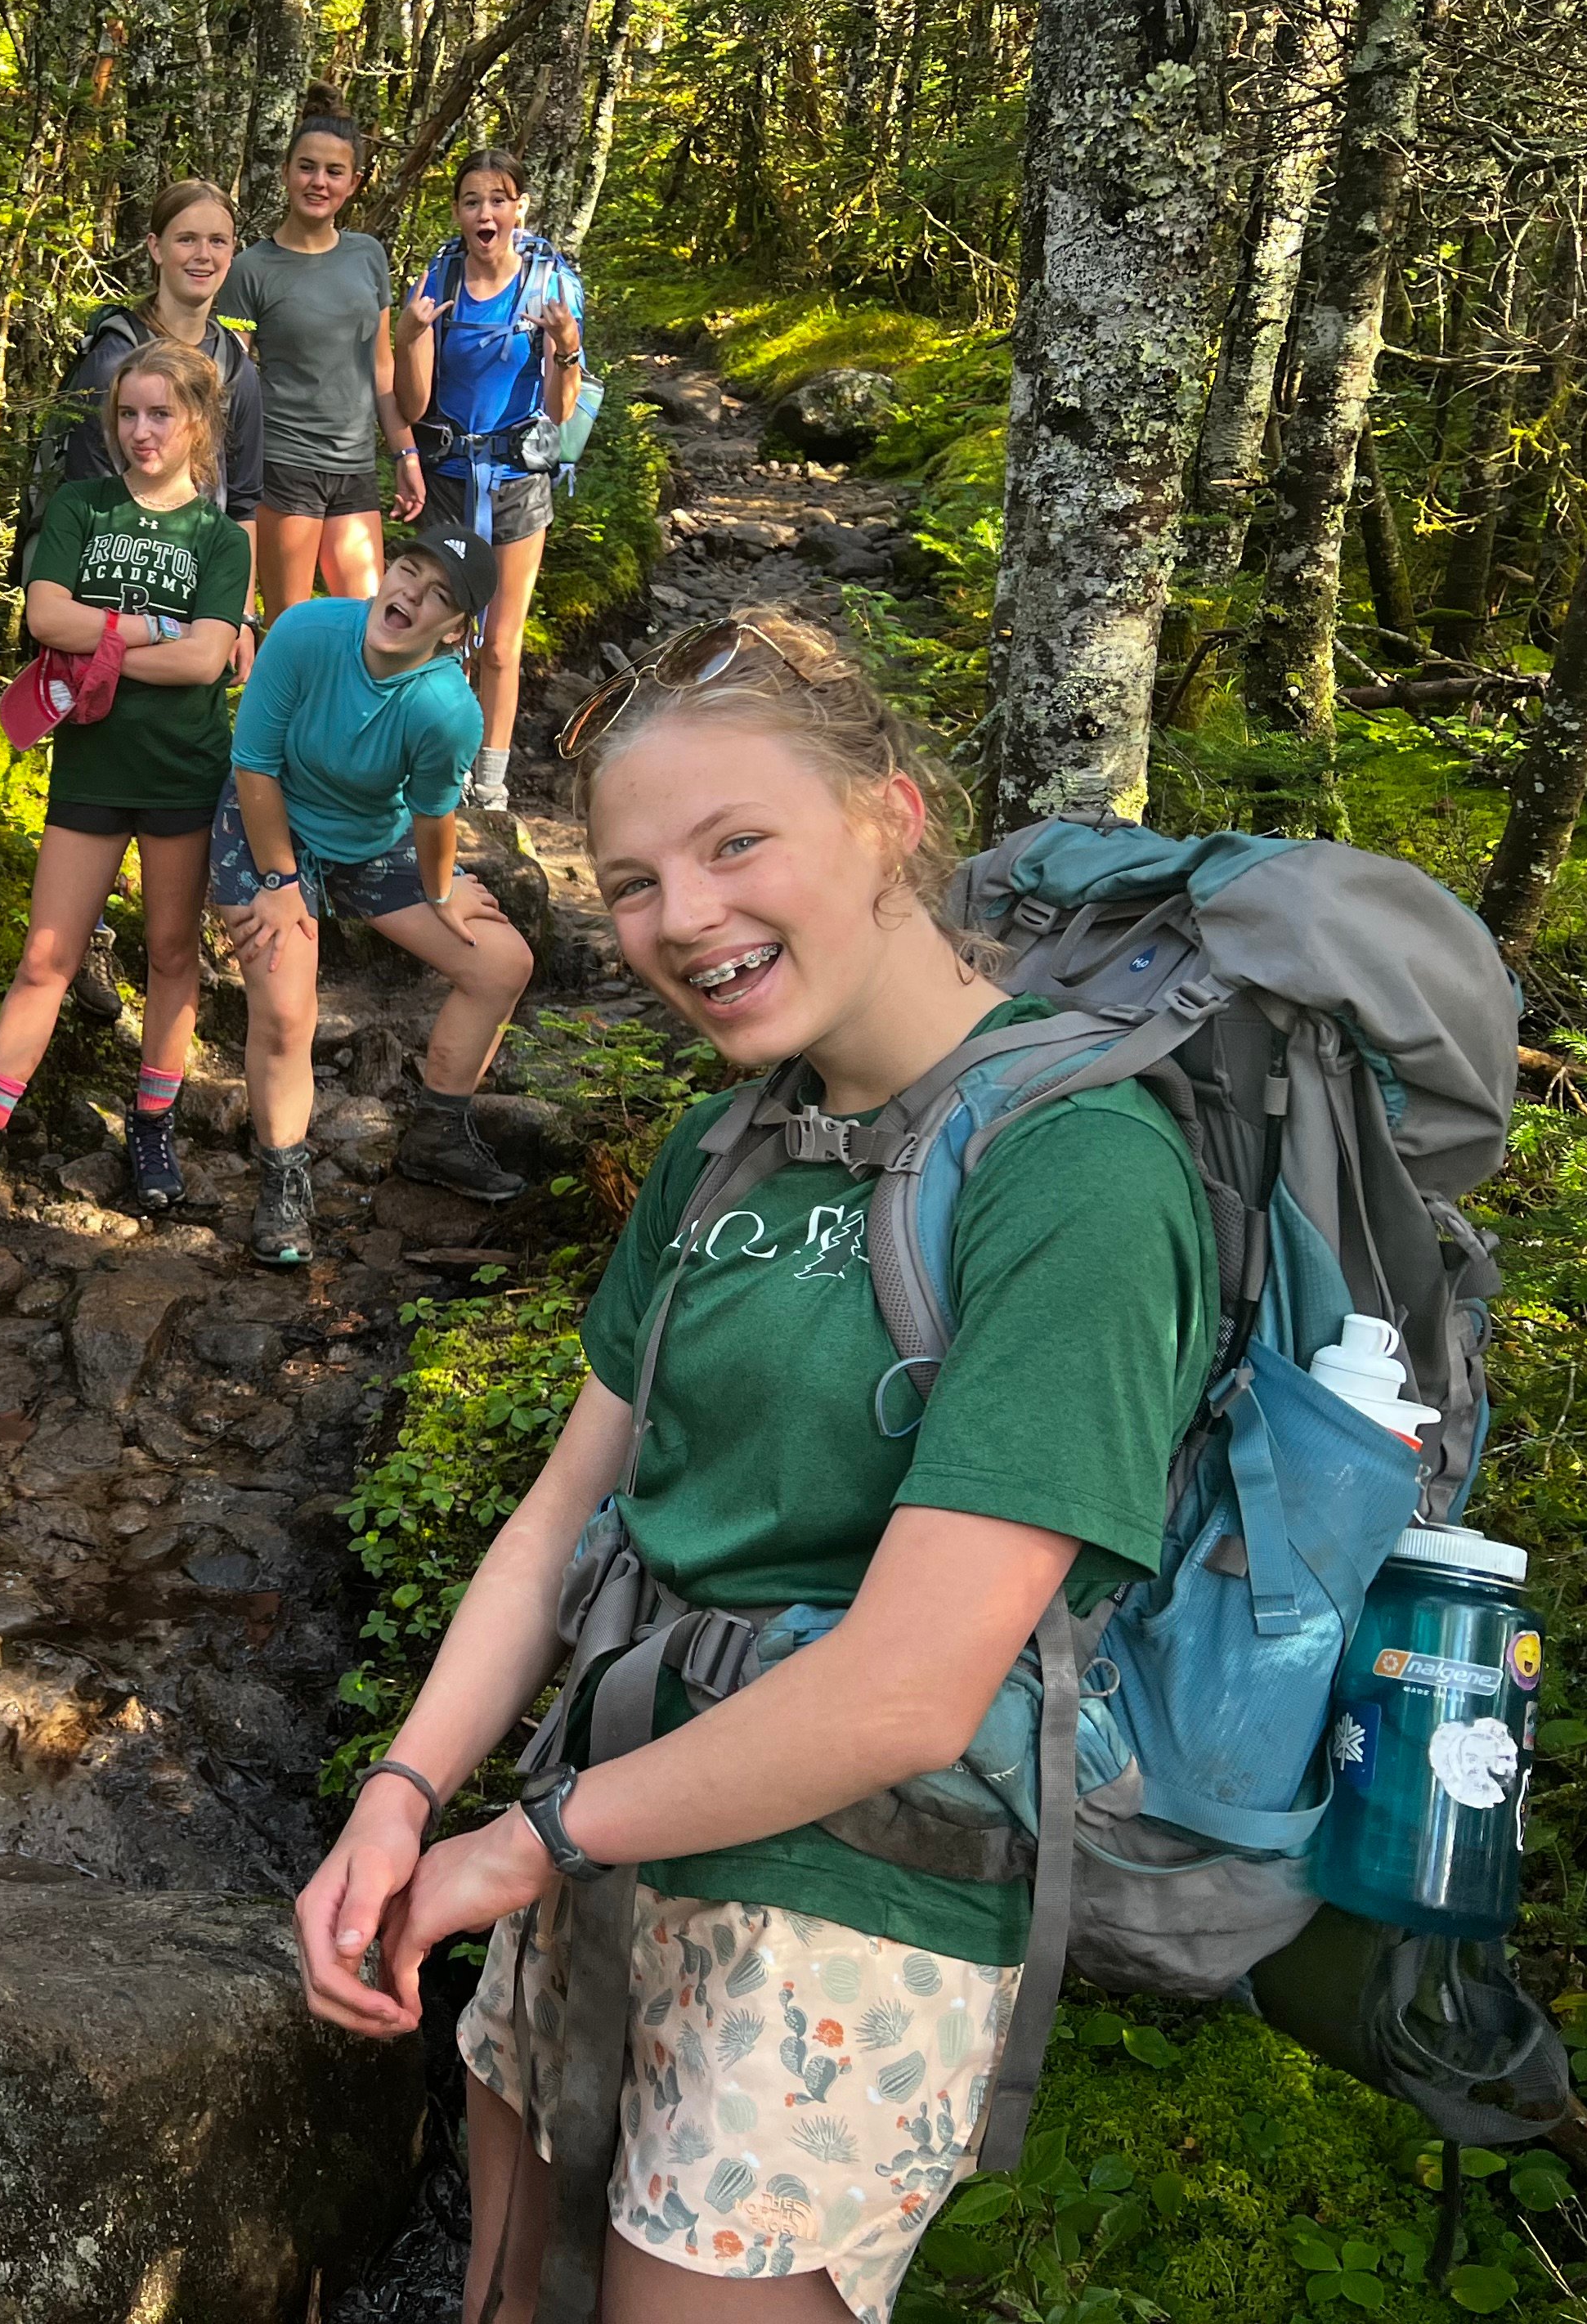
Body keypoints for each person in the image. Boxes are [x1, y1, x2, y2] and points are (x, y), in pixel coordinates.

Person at [291, 615, 1213, 2324]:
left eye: (736, 846)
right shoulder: (732, 1143)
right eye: (634, 883)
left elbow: (907, 1693)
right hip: (601, 1825)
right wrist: (406, 1790)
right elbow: (565, 1515)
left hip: (856, 1914)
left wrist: (522, 1844)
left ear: (890, 818)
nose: (683, 921)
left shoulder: (1078, 1174)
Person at [0, 341, 253, 1207]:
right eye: (128, 413)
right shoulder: (84, 508)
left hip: (182, 771)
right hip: (93, 766)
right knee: (47, 955)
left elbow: (208, 661)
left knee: (170, 953)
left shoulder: (219, 537)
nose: (141, 431)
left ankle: (153, 1130)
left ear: (197, 420)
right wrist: (155, 635)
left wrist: (110, 639)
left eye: (160, 413)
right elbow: (46, 613)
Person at [213, 527, 536, 1267]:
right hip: (270, 824)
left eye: (437, 596)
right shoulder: (305, 631)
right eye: (406, 571)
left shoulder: (448, 709)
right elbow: (254, 764)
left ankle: (437, 1133)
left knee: (499, 965)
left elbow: (432, 816)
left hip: (368, 841)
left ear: (456, 630)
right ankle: (285, 1182)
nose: (409, 596)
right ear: (386, 569)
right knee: (289, 1010)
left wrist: (440, 890)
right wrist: (279, 883)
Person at [397, 149, 585, 813]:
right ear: (457, 211)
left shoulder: (552, 285)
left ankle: (491, 782)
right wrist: (410, 335)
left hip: (517, 481)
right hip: (447, 478)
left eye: (499, 200)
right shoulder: (438, 277)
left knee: (501, 645)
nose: (486, 213)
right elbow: (413, 405)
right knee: (437, 628)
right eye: (473, 200)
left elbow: (562, 412)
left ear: (520, 209)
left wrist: (566, 346)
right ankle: (427, 769)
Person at [218, 104, 426, 618]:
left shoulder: (368, 256)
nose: (319, 182)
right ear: (286, 171)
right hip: (283, 464)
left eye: (334, 172)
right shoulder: (250, 271)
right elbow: (232, 382)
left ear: (353, 183)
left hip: (354, 466)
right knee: (289, 626)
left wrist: (405, 456)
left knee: (366, 623)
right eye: (307, 167)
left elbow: (381, 367)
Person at [34, 178, 267, 532]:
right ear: (156, 248)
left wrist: (239, 589)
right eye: (187, 239)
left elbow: (242, 507)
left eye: (217, 241)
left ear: (232, 252)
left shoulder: (235, 367)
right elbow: (85, 496)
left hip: (203, 573)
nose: (203, 255)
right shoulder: (114, 360)